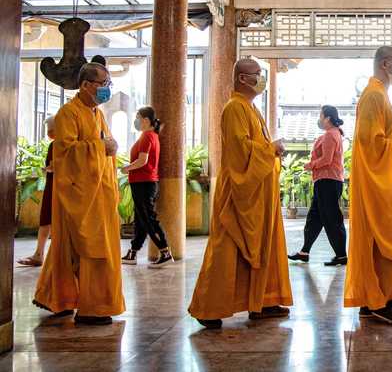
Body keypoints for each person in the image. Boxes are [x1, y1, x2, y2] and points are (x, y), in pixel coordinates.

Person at [188, 58, 292, 328]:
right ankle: (208, 308)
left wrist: (271, 148)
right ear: (242, 79)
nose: (261, 79)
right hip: (238, 193)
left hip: (257, 192)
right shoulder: (234, 107)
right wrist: (271, 149)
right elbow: (239, 151)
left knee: (263, 247)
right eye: (257, 75)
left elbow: (253, 146)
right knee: (227, 249)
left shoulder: (250, 108)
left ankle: (262, 301)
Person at [33, 62, 125, 325]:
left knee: (72, 249)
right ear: (86, 85)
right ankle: (91, 307)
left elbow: (102, 146)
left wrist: (108, 146)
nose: (107, 89)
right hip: (79, 194)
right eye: (103, 84)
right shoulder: (68, 114)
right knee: (87, 249)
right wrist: (99, 147)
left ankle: (58, 297)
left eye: (108, 84)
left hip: (99, 194)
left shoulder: (96, 113)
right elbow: (66, 155)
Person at [344, 46, 392, 326]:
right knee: (388, 242)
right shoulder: (374, 95)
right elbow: (368, 142)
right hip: (378, 185)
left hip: (385, 180)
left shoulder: (379, 94)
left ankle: (373, 300)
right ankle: (379, 300)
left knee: (382, 243)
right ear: (387, 65)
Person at [288, 105, 348, 266]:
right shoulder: (334, 134)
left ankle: (341, 255)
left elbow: (327, 160)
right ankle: (304, 252)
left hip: (328, 181)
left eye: (321, 116)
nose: (319, 119)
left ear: (327, 118)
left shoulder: (330, 135)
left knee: (332, 219)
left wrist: (311, 165)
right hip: (325, 181)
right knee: (314, 217)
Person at [120, 106, 173, 268]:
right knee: (141, 220)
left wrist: (126, 168)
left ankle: (165, 252)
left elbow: (143, 161)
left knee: (149, 219)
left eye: (137, 117)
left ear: (145, 120)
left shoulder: (147, 136)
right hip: (142, 183)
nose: (136, 121)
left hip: (144, 183)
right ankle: (133, 252)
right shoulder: (150, 136)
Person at [18, 116, 56, 267]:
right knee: (48, 221)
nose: (49, 133)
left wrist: (45, 169)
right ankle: (39, 254)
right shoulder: (65, 144)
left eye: (50, 130)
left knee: (46, 220)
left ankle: (39, 255)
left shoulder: (56, 145)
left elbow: (54, 167)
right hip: (61, 186)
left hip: (55, 186)